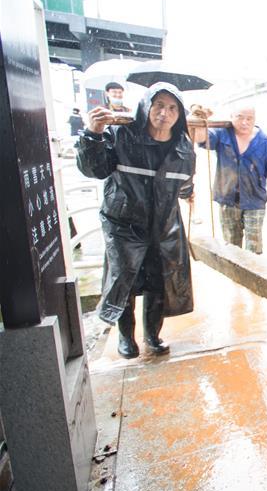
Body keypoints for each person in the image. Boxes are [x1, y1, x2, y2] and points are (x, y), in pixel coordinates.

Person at [77, 82, 196, 359]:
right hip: (123, 223)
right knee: (125, 281)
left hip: (163, 225)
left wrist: (190, 193)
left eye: (172, 107)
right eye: (158, 105)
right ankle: (126, 338)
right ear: (146, 106)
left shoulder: (184, 150)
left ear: (179, 115)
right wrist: (92, 134)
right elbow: (94, 169)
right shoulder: (122, 135)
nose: (164, 113)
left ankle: (153, 336)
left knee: (159, 281)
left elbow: (184, 184)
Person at [194, 105, 267, 254]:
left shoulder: (264, 142)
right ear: (231, 116)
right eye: (240, 117)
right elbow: (201, 139)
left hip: (254, 200)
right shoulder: (223, 134)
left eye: (249, 119)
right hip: (227, 199)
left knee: (254, 247)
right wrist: (200, 120)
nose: (244, 122)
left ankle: (253, 275)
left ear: (254, 120)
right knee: (231, 246)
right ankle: (234, 276)